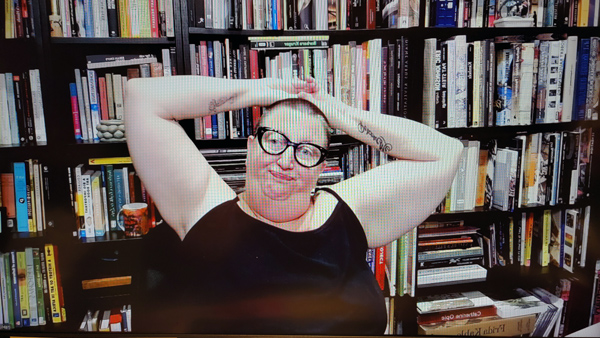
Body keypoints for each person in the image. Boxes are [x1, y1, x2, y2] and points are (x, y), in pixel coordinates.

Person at [124, 75, 464, 334]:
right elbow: (143, 96)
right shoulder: (204, 208)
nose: (286, 161)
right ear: (250, 147)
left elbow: (446, 153)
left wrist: (341, 114)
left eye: (306, 151)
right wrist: (260, 90)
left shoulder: (347, 212)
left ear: (319, 169)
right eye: (274, 140)